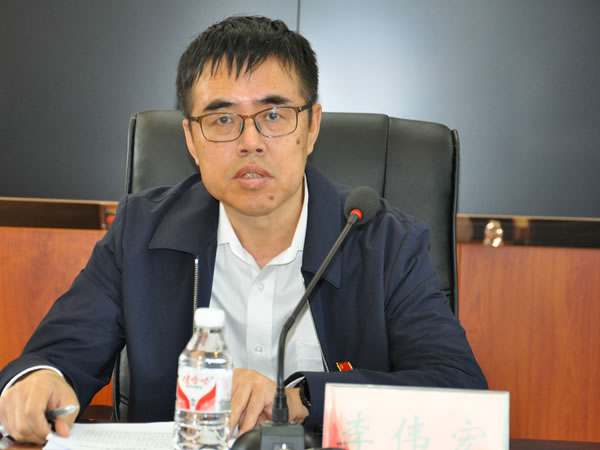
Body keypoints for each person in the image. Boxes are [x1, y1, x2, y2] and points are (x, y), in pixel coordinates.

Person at [0, 15, 487, 444]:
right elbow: (53, 358)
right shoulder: (140, 233)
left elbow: (460, 396)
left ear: (311, 127)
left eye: (273, 115)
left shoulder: (383, 242)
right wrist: (36, 382)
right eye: (222, 118)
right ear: (191, 139)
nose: (250, 141)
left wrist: (301, 399)